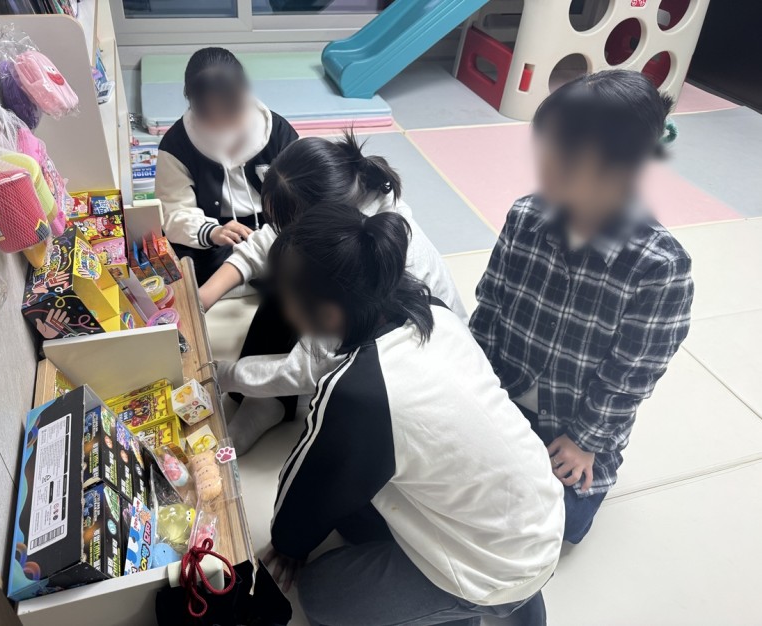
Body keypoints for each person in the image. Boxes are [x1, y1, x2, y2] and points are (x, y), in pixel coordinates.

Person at [263, 205, 564, 626]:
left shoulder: (357, 391)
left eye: (287, 299)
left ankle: (471, 606)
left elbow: (303, 496)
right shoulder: (434, 312)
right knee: (356, 500)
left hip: (495, 570)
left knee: (318, 594)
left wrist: (287, 545)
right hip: (541, 514)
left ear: (327, 314)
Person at [470, 70, 694, 544]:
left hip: (573, 424)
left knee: (563, 524)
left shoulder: (660, 266)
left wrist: (584, 441)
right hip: (501, 395)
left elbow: (631, 375)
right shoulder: (525, 216)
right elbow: (489, 307)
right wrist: (476, 392)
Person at [202, 132, 466, 455]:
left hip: (420, 367)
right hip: (364, 306)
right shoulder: (344, 191)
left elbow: (309, 367)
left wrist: (223, 375)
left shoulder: (366, 261)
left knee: (297, 288)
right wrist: (205, 295)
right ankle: (267, 402)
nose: (281, 230)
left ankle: (268, 402)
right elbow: (270, 238)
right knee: (285, 272)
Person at [155, 47, 298, 284]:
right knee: (183, 268)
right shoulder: (176, 144)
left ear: (245, 94)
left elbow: (306, 189)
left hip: (274, 227)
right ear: (192, 105)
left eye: (232, 113)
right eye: (211, 117)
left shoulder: (276, 131)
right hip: (216, 232)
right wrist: (212, 232)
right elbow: (174, 209)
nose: (224, 125)